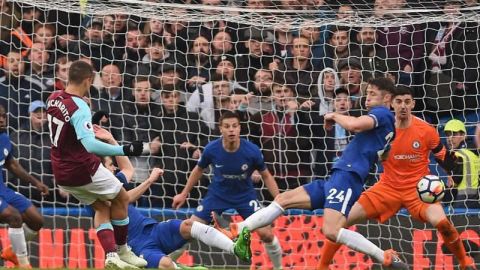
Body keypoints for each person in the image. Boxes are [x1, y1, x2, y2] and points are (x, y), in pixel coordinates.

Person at [220, 78, 409, 269]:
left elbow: (355, 125)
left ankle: (383, 256)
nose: (367, 98)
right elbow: (384, 153)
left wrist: (333, 115)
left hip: (348, 177)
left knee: (331, 231)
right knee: (284, 199)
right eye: (366, 93)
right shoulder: (390, 128)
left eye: (372, 94)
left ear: (387, 98)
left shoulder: (382, 114)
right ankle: (238, 229)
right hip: (337, 177)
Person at [318, 86, 476, 270]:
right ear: (391, 103)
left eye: (407, 102)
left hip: (419, 190)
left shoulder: (426, 130)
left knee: (444, 224)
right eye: (398, 101)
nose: (403, 106)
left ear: (413, 104)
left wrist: (452, 172)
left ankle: (464, 261)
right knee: (340, 222)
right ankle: (322, 266)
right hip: (386, 188)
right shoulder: (381, 129)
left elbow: (443, 157)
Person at [93, 124, 252, 269]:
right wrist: (149, 180)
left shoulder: (115, 182)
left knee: (188, 225)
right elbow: (123, 199)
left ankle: (234, 248)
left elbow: (127, 169)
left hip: (153, 229)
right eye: (109, 165)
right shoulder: (94, 195)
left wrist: (112, 140)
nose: (114, 167)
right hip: (136, 246)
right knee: (166, 265)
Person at [45, 60, 146, 269]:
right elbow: (90, 145)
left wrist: (91, 120)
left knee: (101, 207)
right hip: (83, 168)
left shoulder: (53, 98)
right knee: (122, 198)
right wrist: (124, 150)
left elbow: (69, 126)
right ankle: (123, 250)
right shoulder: (79, 106)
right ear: (88, 80)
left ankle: (111, 256)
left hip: (62, 173)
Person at [172, 111, 284, 270]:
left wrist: (279, 198)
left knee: (266, 234)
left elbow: (266, 175)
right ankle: (166, 263)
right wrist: (183, 193)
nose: (231, 130)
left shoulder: (252, 150)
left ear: (240, 128)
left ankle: (279, 268)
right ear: (220, 129)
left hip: (245, 196)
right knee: (189, 229)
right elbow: (198, 170)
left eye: (234, 126)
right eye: (227, 126)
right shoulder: (211, 149)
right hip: (217, 195)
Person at [0, 104, 49, 268]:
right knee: (14, 217)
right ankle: (23, 264)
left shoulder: (5, 138)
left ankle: (12, 251)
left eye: (3, 116)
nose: (1, 119)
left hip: (3, 190)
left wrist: (36, 183)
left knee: (37, 221)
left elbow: (12, 165)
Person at [443, 119, 480, 209]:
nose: (450, 139)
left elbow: (453, 185)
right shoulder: (476, 153)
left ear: (463, 136)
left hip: (462, 204)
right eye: (448, 135)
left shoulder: (456, 155)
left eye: (454, 134)